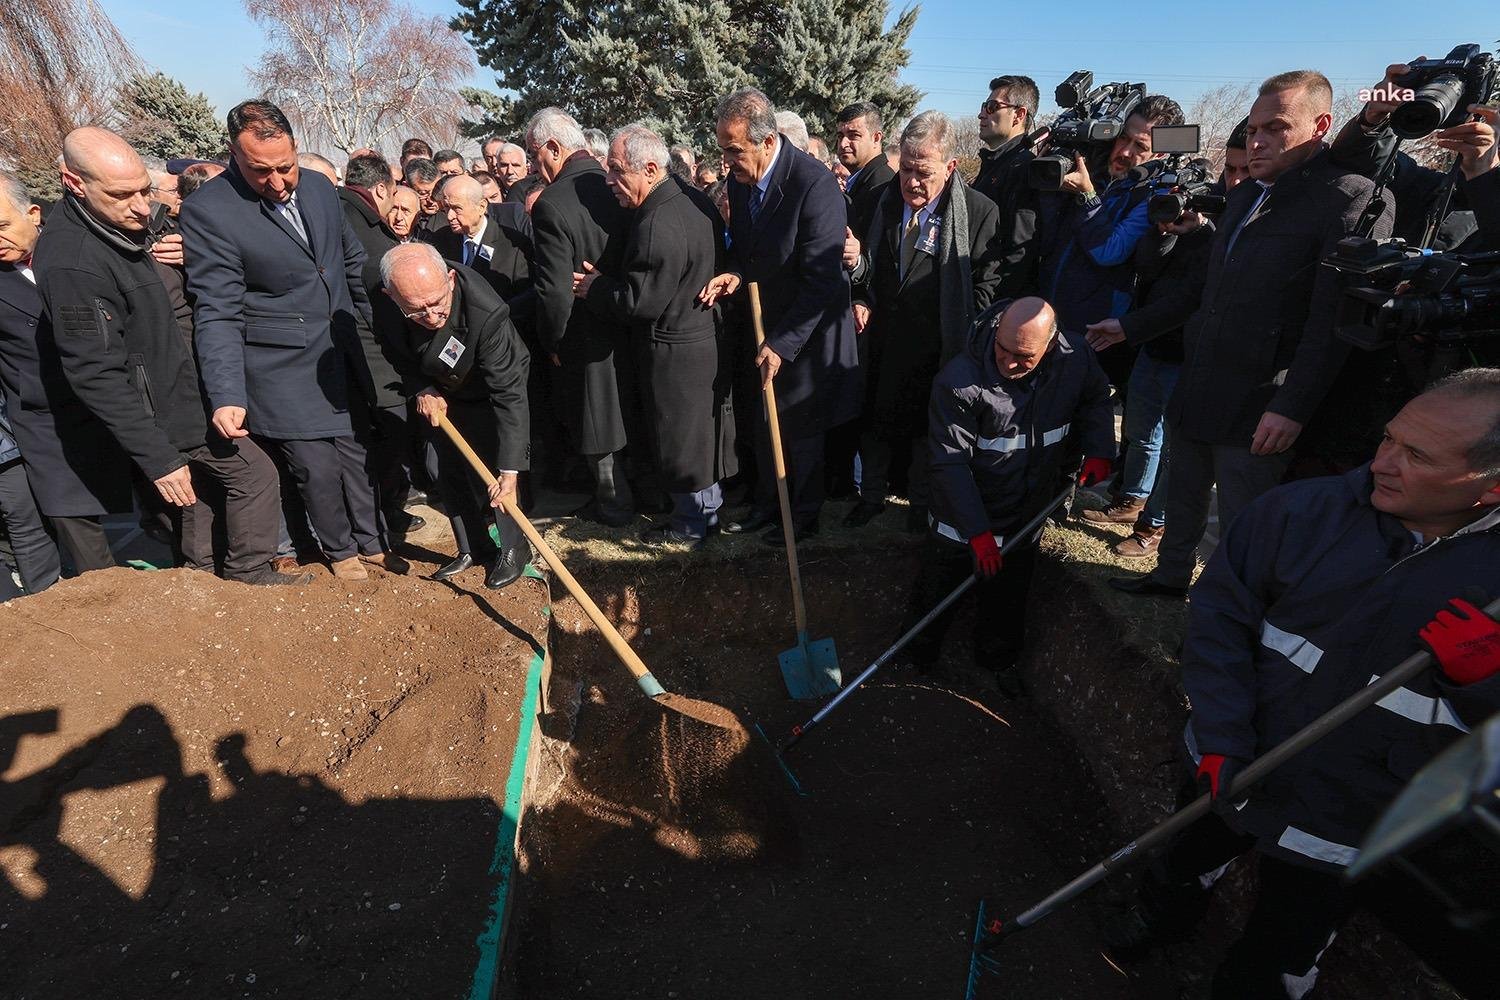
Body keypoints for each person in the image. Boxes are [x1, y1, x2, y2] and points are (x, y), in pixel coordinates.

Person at [1106, 370, 1500, 999]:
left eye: (1418, 456)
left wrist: (1481, 682)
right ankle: (1162, 912)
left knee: (1285, 941)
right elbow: (1220, 622)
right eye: (1390, 438)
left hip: (1352, 812)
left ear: (1490, 487)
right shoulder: (1300, 512)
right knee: (1187, 853)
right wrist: (1221, 734)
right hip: (1236, 757)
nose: (1382, 463)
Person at [1112, 70, 1394, 600]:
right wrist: (1127, 327)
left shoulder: (1349, 199)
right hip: (1200, 384)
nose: (1258, 140)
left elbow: (1332, 323)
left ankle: (1228, 614)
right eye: (1253, 128)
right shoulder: (1244, 198)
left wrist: (1292, 406)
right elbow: (1203, 291)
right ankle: (1169, 577)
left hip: (1261, 404)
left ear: (1320, 126)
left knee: (1244, 527)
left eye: (1276, 128)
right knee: (1184, 497)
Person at [34, 126, 294, 585]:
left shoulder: (127, 224)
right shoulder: (72, 260)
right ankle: (246, 575)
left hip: (184, 391)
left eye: (144, 190)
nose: (141, 206)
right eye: (122, 195)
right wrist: (158, 458)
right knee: (253, 475)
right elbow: (94, 372)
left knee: (197, 497)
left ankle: (202, 582)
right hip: (160, 410)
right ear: (74, 183)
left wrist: (191, 254)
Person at [179, 99, 394, 582]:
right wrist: (227, 393)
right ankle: (340, 552)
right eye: (261, 171)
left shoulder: (319, 188)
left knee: (356, 453)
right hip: (279, 366)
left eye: (285, 167)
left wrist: (381, 330)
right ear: (234, 155)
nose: (277, 183)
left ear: (296, 148)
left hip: (339, 351)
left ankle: (372, 541)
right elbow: (217, 309)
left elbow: (349, 264)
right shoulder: (209, 211)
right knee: (316, 467)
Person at [910, 296, 1113, 694]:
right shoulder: (960, 382)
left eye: (1024, 357)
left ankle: (997, 663)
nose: (1009, 362)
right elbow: (950, 464)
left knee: (1008, 599)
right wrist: (977, 532)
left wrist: (1101, 449)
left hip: (1026, 516)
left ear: (1049, 345)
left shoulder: (1075, 360)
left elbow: (1096, 399)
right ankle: (915, 661)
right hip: (961, 523)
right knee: (937, 595)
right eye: (1003, 349)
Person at [701, 87, 862, 544]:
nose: (727, 161)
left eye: (735, 150)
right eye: (724, 150)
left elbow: (823, 278)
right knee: (764, 421)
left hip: (808, 335)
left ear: (767, 141)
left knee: (801, 430)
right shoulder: (741, 180)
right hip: (763, 323)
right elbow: (748, 251)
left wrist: (784, 342)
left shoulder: (814, 185)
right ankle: (767, 506)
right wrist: (735, 274)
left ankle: (802, 518)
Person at [1080, 135, 1248, 557]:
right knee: (1141, 433)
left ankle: (1152, 526)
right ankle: (1131, 501)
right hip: (1154, 344)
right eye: (1230, 169)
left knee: (1175, 449)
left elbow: (1194, 294)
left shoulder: (1232, 224)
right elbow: (1148, 267)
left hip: (1191, 355)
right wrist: (1165, 230)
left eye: (1245, 171)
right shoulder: (1198, 212)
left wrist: (1202, 232)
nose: (1235, 180)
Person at [574, 123, 734, 548]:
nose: (609, 180)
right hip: (700, 338)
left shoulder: (657, 221)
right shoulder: (693, 199)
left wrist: (596, 287)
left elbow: (639, 302)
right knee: (698, 437)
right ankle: (706, 514)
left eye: (616, 169)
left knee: (681, 440)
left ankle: (690, 525)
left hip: (674, 349)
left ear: (649, 169)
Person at [846, 111, 1004, 531]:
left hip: (937, 343)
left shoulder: (978, 212)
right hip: (881, 337)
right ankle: (870, 496)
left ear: (950, 166)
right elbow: (865, 268)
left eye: (923, 173)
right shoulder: (881, 201)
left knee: (925, 428)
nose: (912, 182)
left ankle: (920, 504)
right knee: (874, 420)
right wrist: (860, 297)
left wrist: (959, 327)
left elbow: (985, 284)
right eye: (906, 170)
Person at [0, 170, 132, 575]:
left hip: (115, 400)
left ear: (33, 213)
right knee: (76, 527)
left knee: (160, 510)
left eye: (2, 226)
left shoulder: (80, 246)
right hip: (46, 421)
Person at [381, 244, 531, 590]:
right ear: (392, 296)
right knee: (444, 469)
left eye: (438, 304)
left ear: (450, 280)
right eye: (418, 310)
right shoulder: (387, 293)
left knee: (497, 474)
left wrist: (511, 470)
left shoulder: (487, 313)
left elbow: (509, 396)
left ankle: (514, 548)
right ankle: (472, 546)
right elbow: (387, 345)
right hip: (437, 390)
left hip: (488, 389)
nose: (432, 316)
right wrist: (420, 387)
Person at [526, 106, 637, 526]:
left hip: (584, 330)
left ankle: (614, 506)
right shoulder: (616, 180)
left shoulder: (552, 204)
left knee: (597, 421)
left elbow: (554, 290)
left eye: (534, 155)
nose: (534, 167)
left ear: (554, 148)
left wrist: (552, 340)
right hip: (631, 316)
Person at [1037, 93, 1185, 389]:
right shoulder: (1094, 171)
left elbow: (1109, 251)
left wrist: (1087, 197)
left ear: (1159, 154)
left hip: (1093, 332)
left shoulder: (1155, 196)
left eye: (1140, 146)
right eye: (1124, 138)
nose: (1126, 152)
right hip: (1047, 313)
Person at [338, 151, 424, 544]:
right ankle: (384, 513)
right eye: (393, 198)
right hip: (376, 355)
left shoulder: (332, 211)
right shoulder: (364, 230)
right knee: (389, 434)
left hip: (345, 353)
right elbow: (374, 302)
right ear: (379, 190)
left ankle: (384, 511)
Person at [973, 74, 1042, 298]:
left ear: (1019, 115)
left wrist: (996, 307)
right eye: (984, 106)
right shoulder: (995, 163)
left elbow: (1019, 251)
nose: (982, 114)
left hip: (993, 300)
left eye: (992, 107)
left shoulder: (1024, 168)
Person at [425, 173, 534, 313]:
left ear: (481, 206)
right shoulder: (440, 240)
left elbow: (524, 299)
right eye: (446, 208)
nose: (450, 216)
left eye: (457, 208)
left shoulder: (514, 245)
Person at [0, 390, 61, 595]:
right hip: (6, 453)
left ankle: (39, 596)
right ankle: (44, 597)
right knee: (29, 528)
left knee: (27, 527)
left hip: (5, 451)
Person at [835, 101, 894, 242]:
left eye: (853, 135)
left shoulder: (882, 185)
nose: (843, 143)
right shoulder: (861, 180)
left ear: (876, 138)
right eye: (840, 136)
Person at [403, 158, 443, 229]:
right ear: (407, 187)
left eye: (436, 192)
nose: (431, 200)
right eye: (423, 193)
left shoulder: (452, 222)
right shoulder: (397, 219)